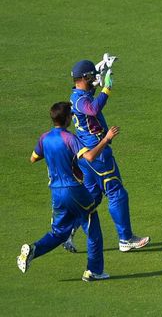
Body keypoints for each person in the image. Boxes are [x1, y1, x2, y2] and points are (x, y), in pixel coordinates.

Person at [17, 102, 119, 281]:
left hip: (56, 192)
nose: (72, 117)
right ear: (65, 118)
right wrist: (106, 139)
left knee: (60, 232)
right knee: (92, 225)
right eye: (71, 114)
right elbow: (89, 156)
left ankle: (33, 250)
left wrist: (51, 154)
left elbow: (33, 158)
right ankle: (94, 270)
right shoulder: (69, 138)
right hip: (74, 189)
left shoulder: (45, 138)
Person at [68, 59, 149, 251]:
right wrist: (107, 88)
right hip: (98, 153)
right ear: (83, 78)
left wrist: (100, 69)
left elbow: (90, 99)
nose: (94, 79)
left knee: (93, 197)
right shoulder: (81, 100)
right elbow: (94, 108)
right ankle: (126, 239)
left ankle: (67, 232)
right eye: (91, 77)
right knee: (117, 193)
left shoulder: (78, 95)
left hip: (87, 155)